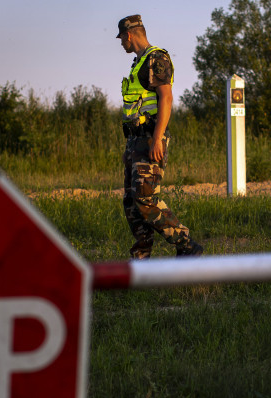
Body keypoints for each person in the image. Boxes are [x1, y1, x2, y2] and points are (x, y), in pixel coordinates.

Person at [116, 14, 203, 259]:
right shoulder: (138, 62)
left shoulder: (156, 58)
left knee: (146, 199)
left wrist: (157, 138)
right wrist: (130, 146)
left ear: (129, 34)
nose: (121, 43)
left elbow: (166, 97)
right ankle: (141, 258)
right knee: (132, 202)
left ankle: (186, 244)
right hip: (136, 141)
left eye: (121, 38)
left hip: (150, 139)